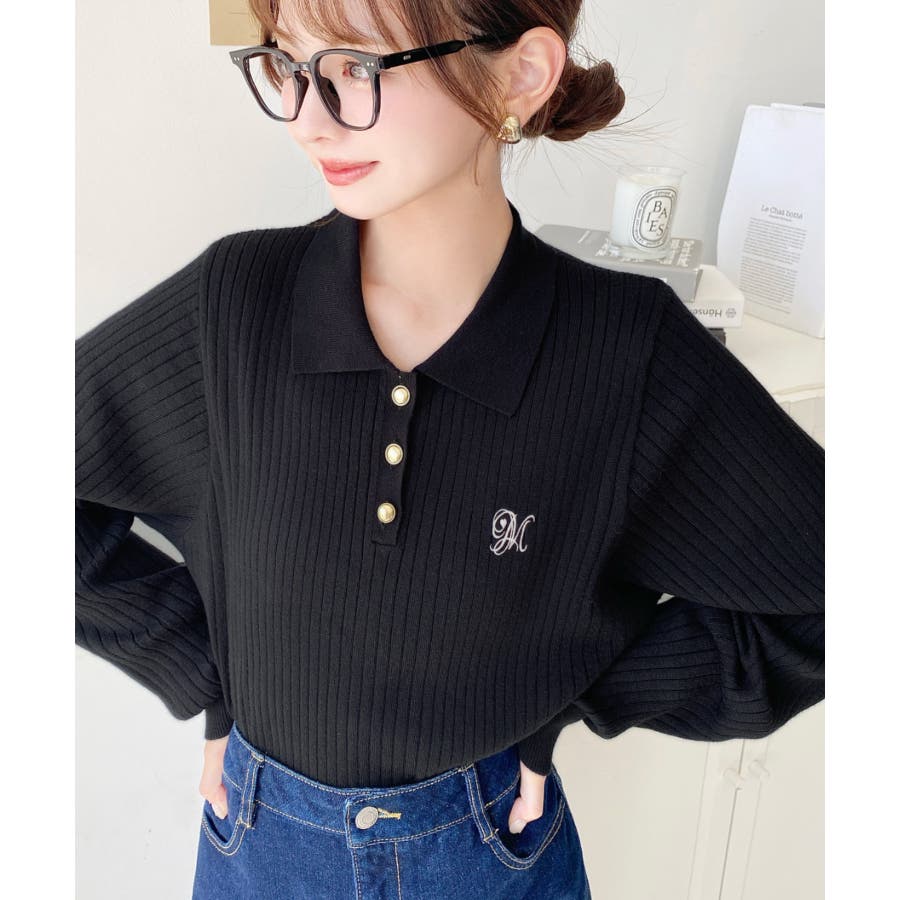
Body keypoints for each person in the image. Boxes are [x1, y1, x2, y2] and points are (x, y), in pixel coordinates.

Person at [75, 1, 824, 897]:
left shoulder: (625, 351)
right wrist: (202, 671)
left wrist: (580, 691)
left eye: (355, 67)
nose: (309, 120)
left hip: (489, 855)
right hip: (261, 849)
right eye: (289, 66)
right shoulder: (235, 305)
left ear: (521, 73)